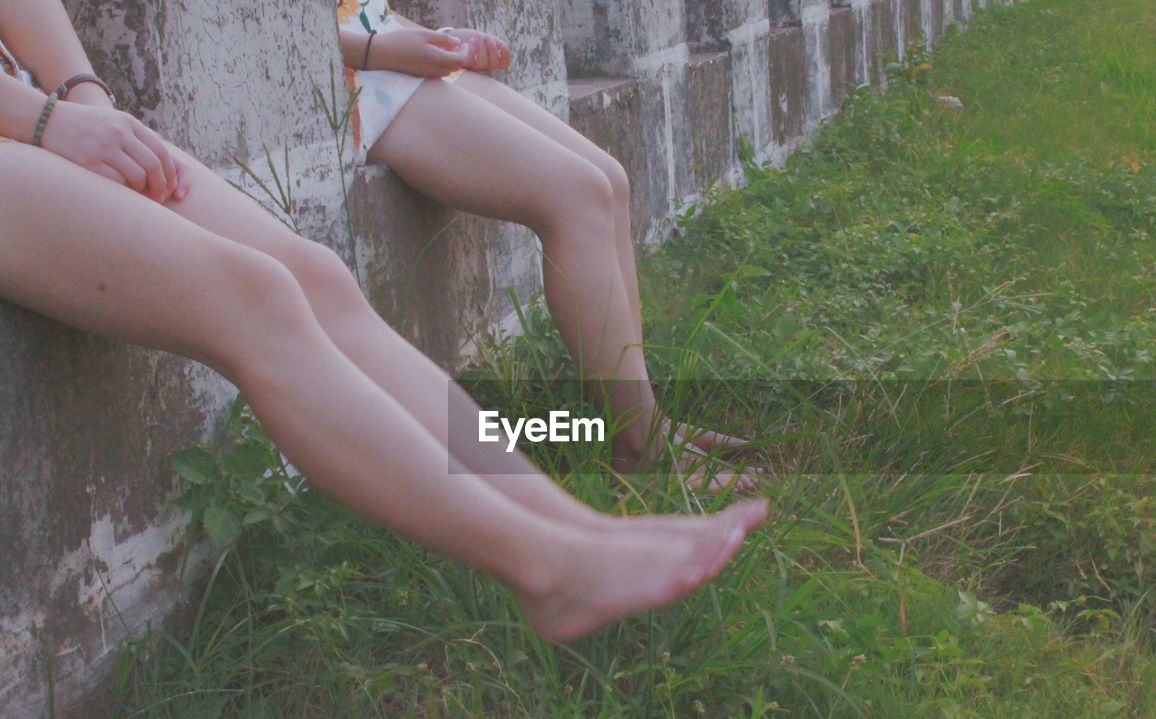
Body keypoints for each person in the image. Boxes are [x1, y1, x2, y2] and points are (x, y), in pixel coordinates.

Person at [0, 1, 768, 644]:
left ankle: (574, 529)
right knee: (255, 294)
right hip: (21, 124)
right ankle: (545, 564)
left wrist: (81, 98)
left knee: (319, 280)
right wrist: (45, 120)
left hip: (36, 111)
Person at [335, 0, 755, 491]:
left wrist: (436, 39)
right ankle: (640, 452)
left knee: (606, 181)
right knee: (575, 197)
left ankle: (646, 421)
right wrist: (380, 47)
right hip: (350, 74)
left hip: (378, 46)